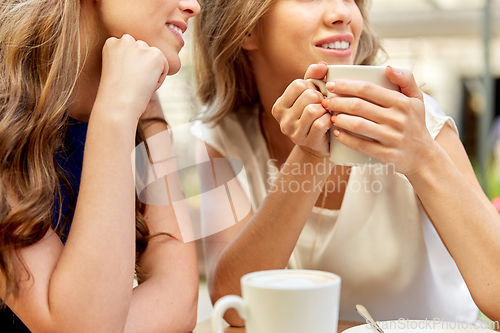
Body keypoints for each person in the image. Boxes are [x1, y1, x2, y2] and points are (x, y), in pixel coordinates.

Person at [191, 0, 500, 324]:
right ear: (248, 28)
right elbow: (233, 306)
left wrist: (422, 157)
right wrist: (311, 155)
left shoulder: (418, 124)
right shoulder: (223, 138)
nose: (343, 13)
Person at [0, 0, 200, 332]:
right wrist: (117, 112)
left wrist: (124, 108)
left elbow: (181, 299)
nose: (193, 6)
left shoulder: (144, 101)